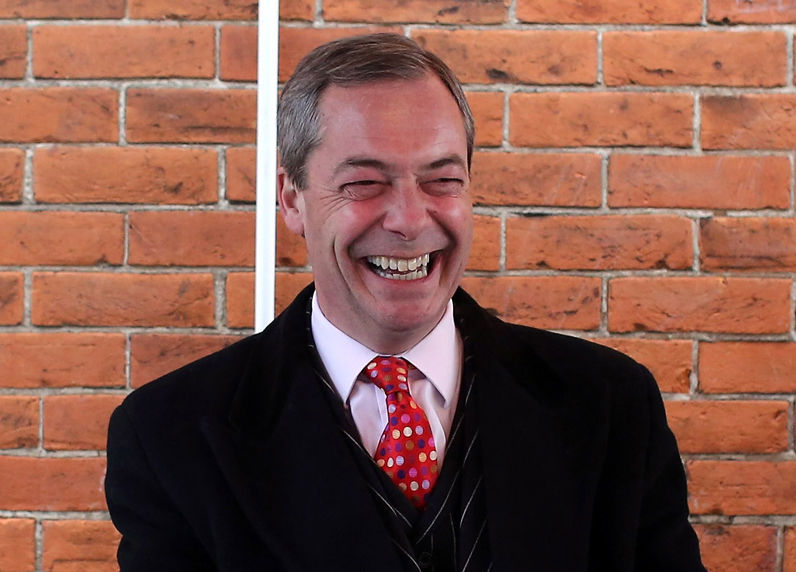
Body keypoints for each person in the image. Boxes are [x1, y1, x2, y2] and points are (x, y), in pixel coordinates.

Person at [105, 33, 707, 572]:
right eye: (364, 183)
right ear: (291, 199)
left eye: (441, 179)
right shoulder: (169, 437)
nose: (410, 219)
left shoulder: (613, 406)